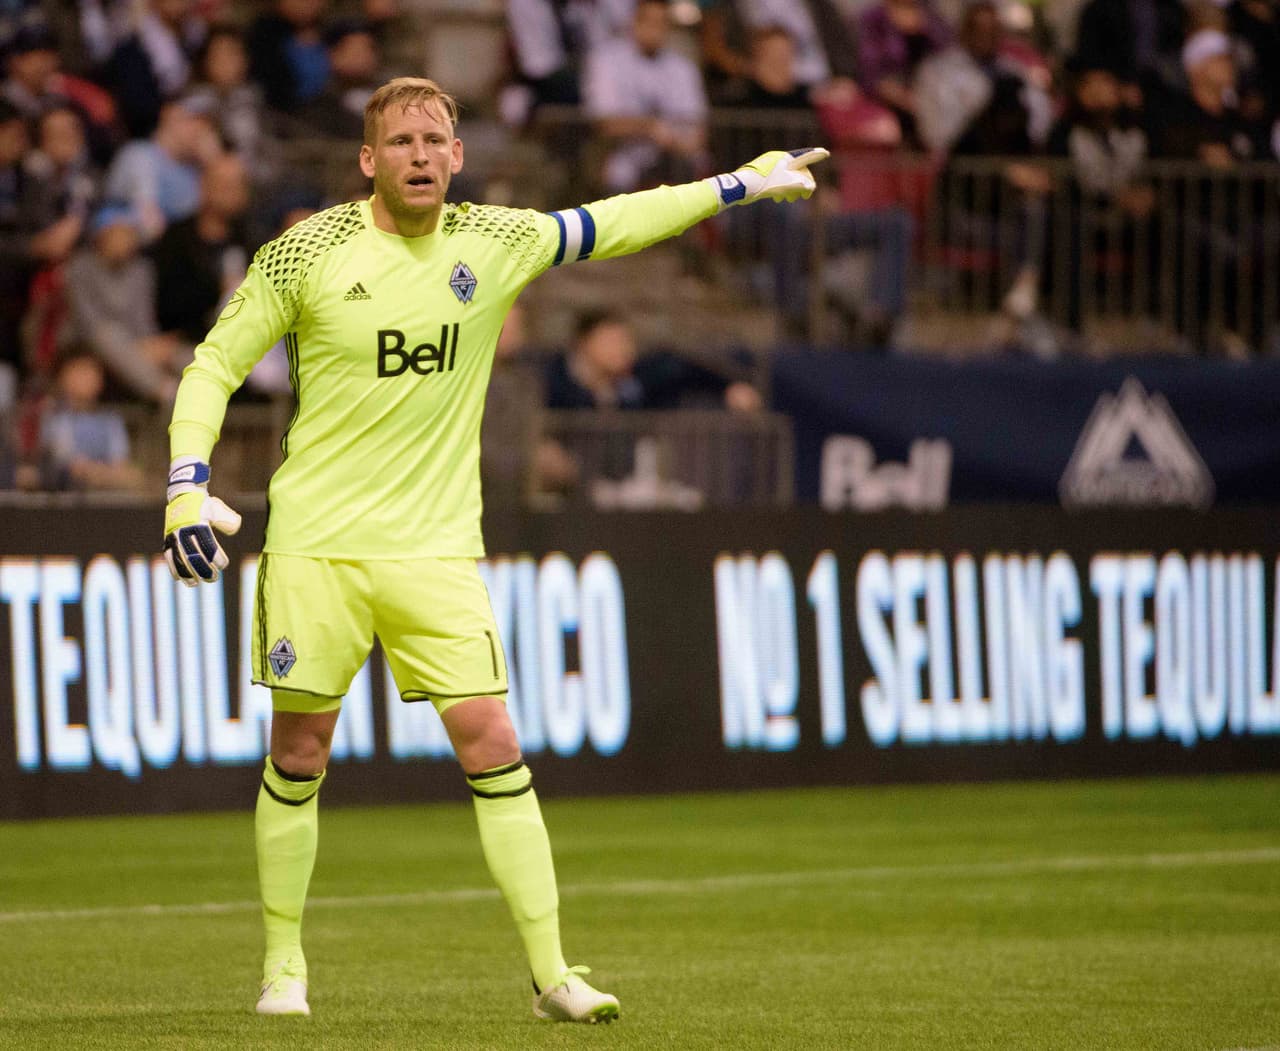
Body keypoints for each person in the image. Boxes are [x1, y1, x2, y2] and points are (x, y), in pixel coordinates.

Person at [160, 75, 824, 1022]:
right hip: (317, 547)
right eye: (400, 142)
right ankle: (283, 968)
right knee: (300, 748)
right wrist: (187, 481)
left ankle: (554, 974)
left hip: (434, 549)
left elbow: (616, 219)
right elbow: (214, 364)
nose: (420, 155)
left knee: (493, 739)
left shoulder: (495, 240)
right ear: (368, 160)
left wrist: (740, 185)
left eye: (435, 139)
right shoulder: (306, 251)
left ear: (459, 156)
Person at [582, 0, 708, 192]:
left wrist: (672, 141)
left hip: (674, 169)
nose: (654, 30)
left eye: (661, 23)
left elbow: (697, 133)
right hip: (622, 168)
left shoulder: (682, 68)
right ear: (634, 22)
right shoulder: (606, 59)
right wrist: (650, 128)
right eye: (649, 22)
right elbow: (604, 121)